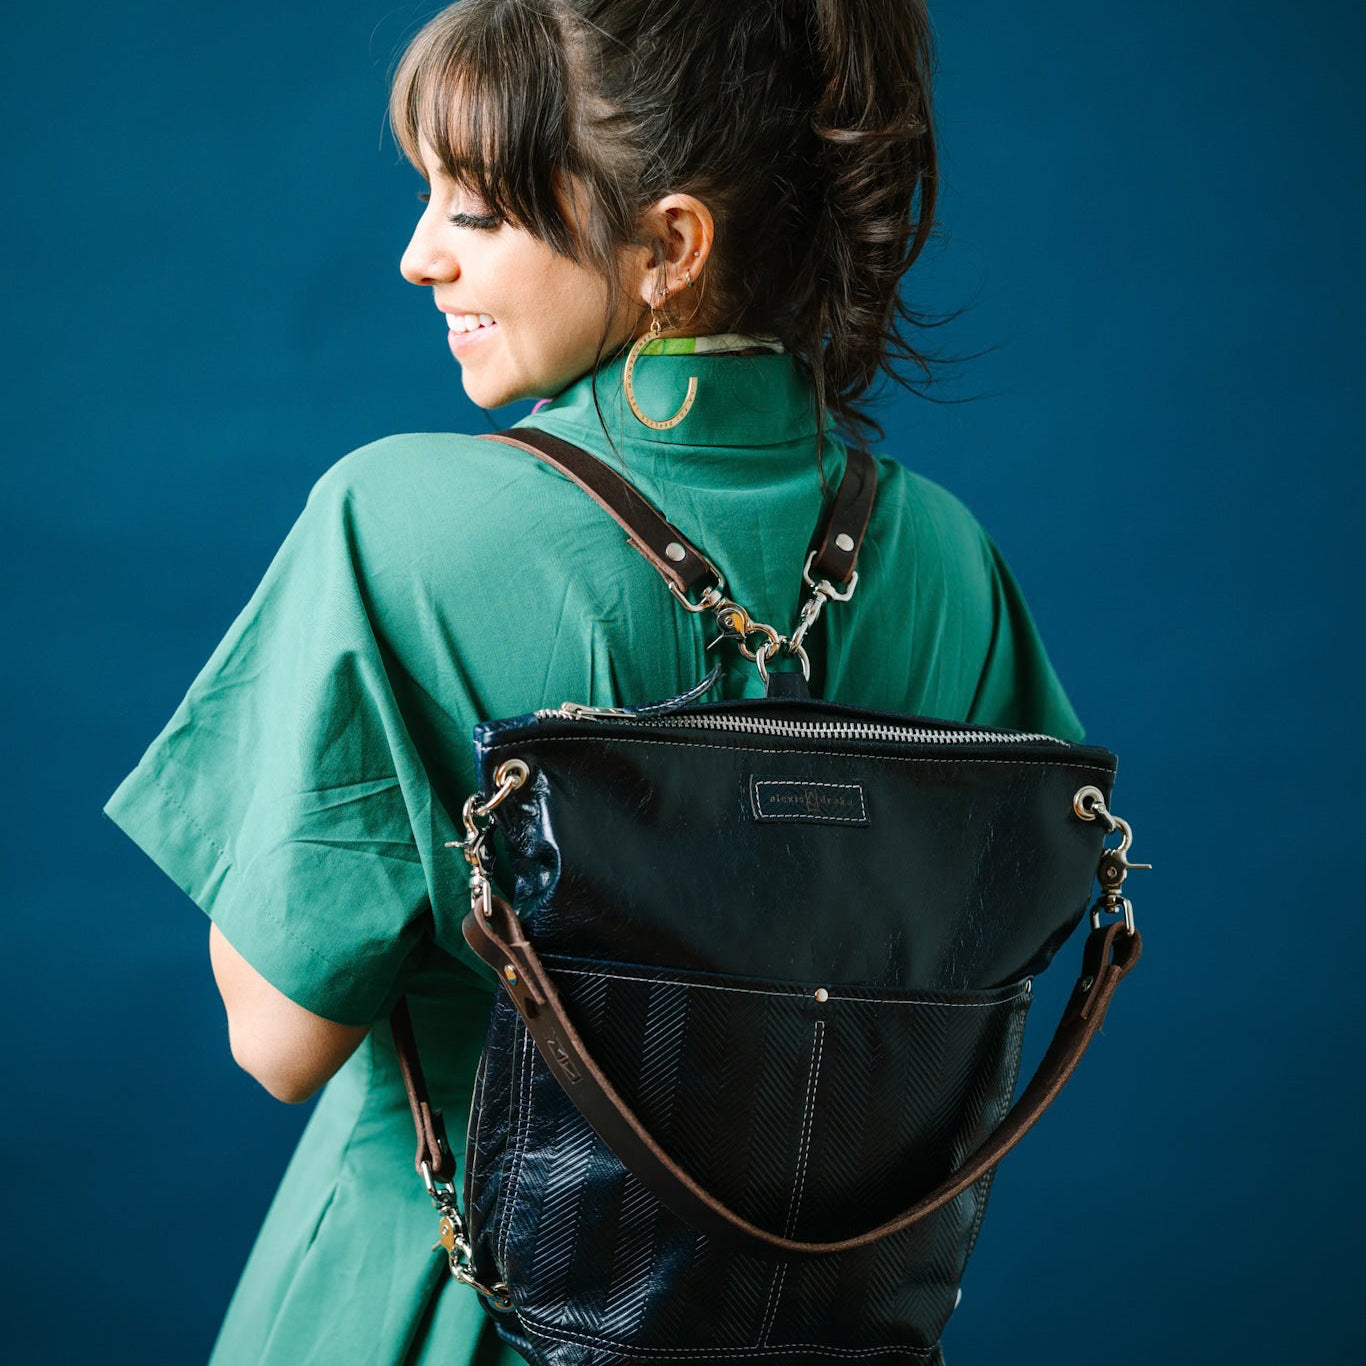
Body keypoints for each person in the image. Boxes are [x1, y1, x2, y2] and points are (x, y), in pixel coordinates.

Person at [104, 1, 1084, 1361]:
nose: (415, 258)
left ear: (670, 245)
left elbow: (275, 1035)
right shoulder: (946, 557)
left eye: (478, 211)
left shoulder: (395, 522)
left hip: (454, 1313)